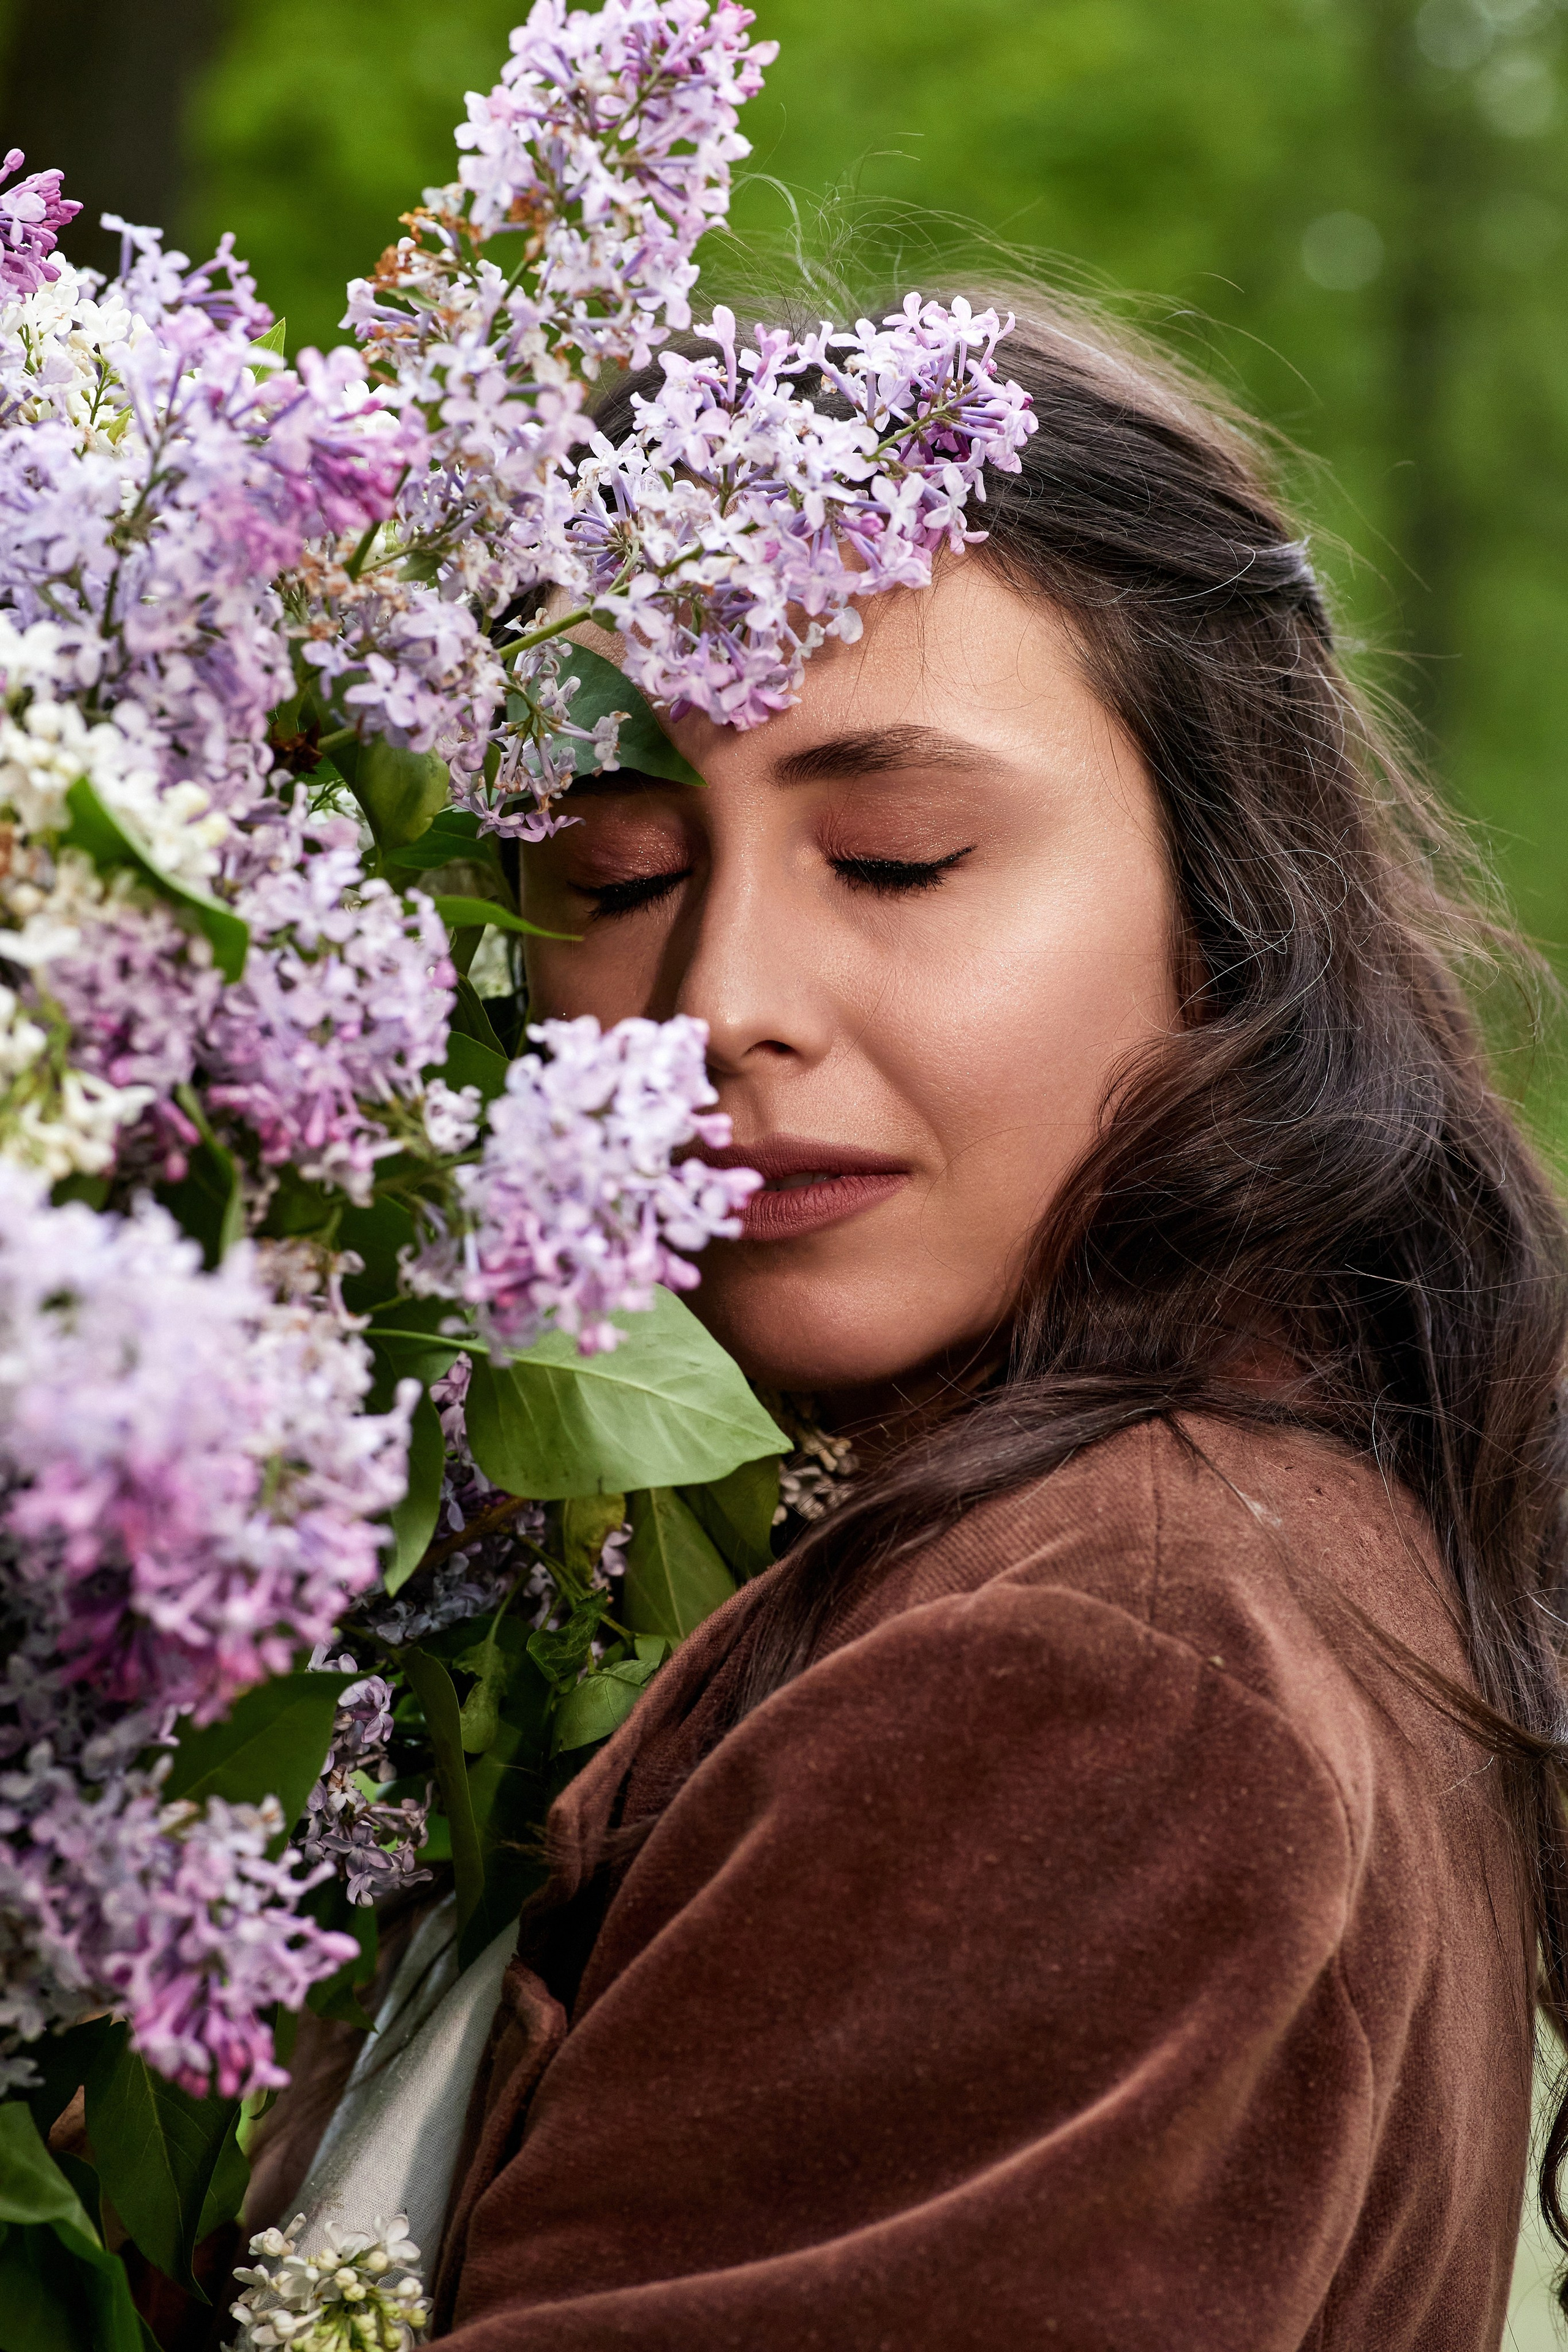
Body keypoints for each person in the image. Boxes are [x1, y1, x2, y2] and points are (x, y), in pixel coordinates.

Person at [428, 293, 1568, 2350]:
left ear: (1226, 900)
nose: (718, 1004)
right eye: (606, 880)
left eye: (896, 857)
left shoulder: (1095, 1659)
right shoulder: (1203, 1526)